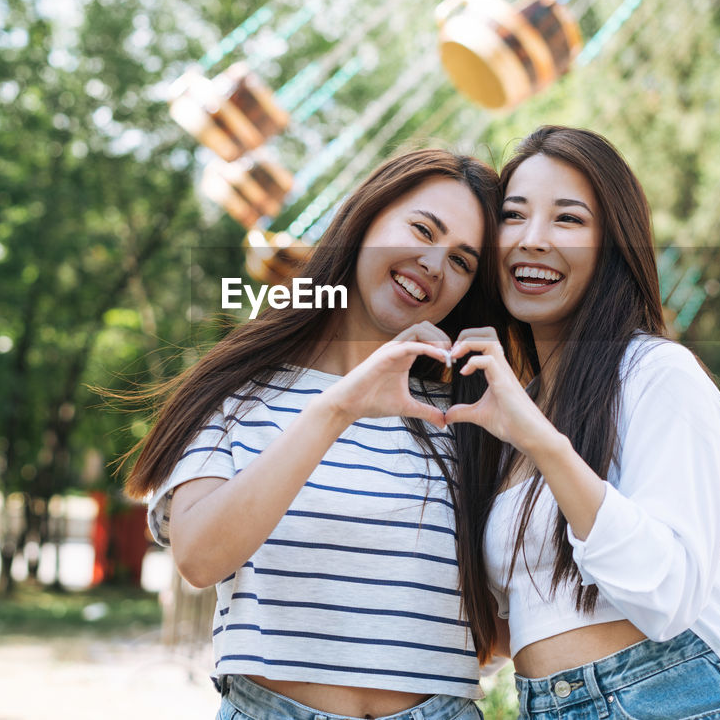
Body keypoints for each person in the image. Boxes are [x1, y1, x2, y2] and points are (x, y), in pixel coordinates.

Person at [445, 126, 720, 719]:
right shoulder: (510, 406)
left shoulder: (656, 376)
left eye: (568, 220)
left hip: (677, 693)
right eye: (513, 217)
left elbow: (668, 593)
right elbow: (504, 631)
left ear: (613, 246)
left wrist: (544, 444)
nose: (532, 239)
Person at [123, 148, 501, 720]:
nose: (432, 262)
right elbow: (198, 558)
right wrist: (339, 406)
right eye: (422, 228)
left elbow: (502, 621)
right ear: (366, 219)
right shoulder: (241, 385)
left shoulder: (471, 416)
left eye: (463, 261)